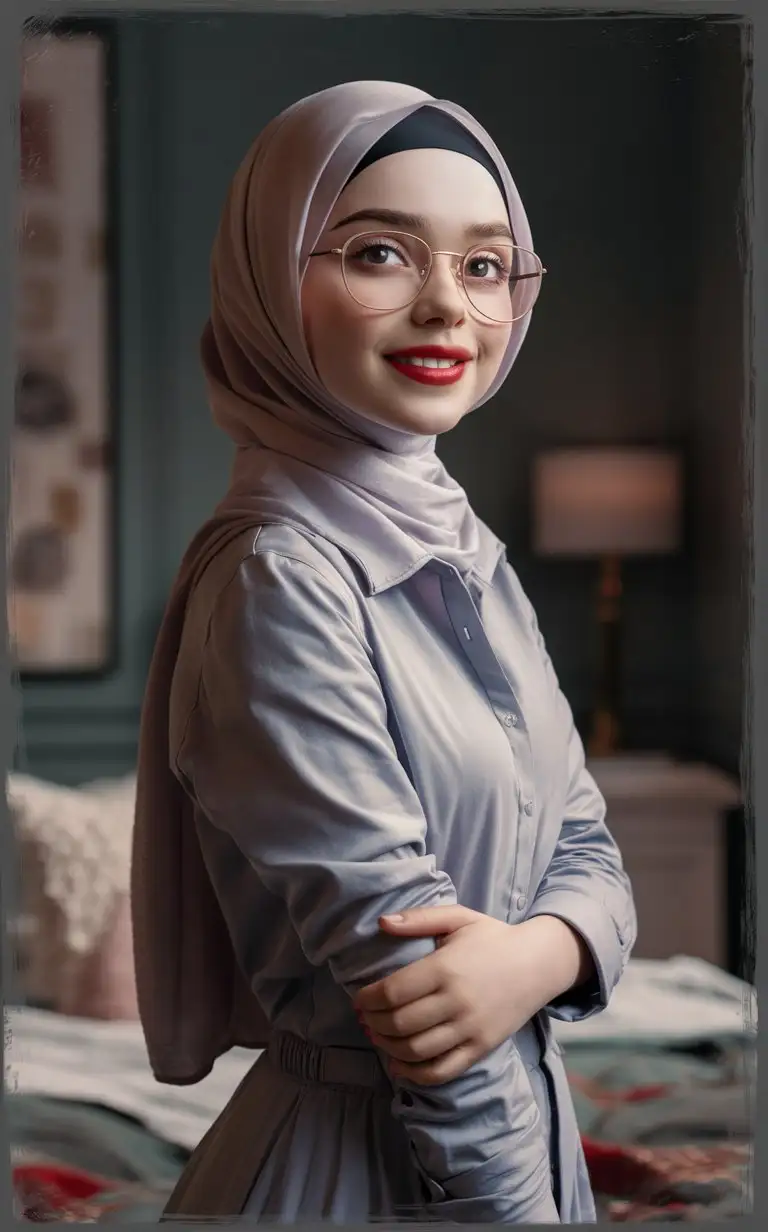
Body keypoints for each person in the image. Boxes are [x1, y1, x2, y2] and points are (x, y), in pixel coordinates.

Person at [130, 79, 637, 1224]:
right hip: (373, 1173)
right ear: (271, 276)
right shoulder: (278, 575)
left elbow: (593, 850)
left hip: (518, 1139)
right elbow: (420, 1020)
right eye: (378, 253)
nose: (449, 307)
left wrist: (537, 954)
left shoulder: (463, 546)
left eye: (487, 264)